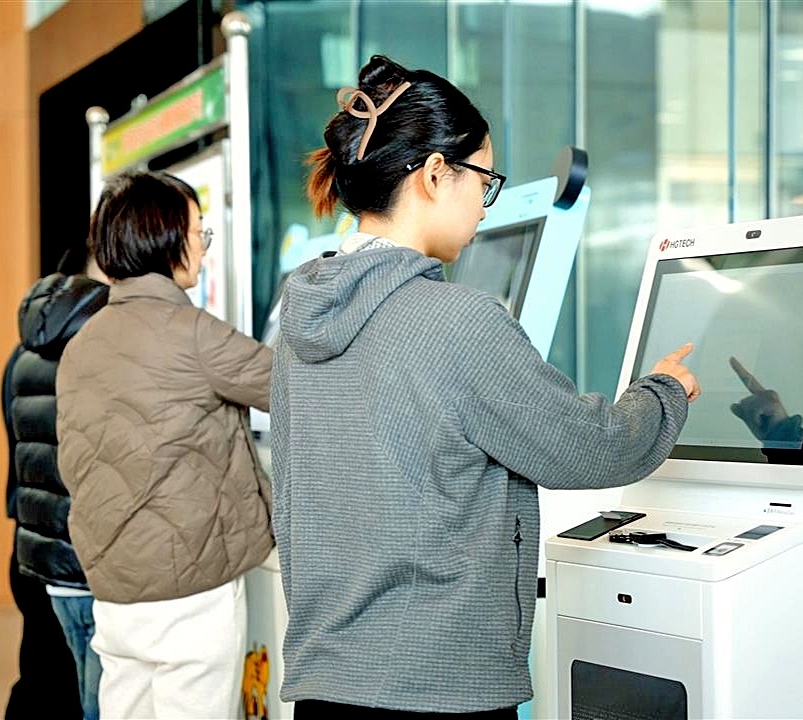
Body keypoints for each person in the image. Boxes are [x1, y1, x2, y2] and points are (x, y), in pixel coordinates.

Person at [270, 55, 701, 718]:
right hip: (436, 691)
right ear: (434, 174)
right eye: (484, 179)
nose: (482, 202)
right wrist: (663, 391)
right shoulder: (457, 321)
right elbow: (593, 448)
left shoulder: (299, 321)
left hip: (325, 686)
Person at [56, 170, 274, 719]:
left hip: (114, 590)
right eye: (199, 231)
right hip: (191, 596)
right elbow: (293, 387)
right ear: (167, 238)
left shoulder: (81, 345)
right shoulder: (193, 332)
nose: (204, 246)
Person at [3, 206, 114, 720]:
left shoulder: (23, 348)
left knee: (39, 680)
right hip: (78, 555)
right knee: (82, 695)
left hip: (31, 547)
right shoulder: (101, 349)